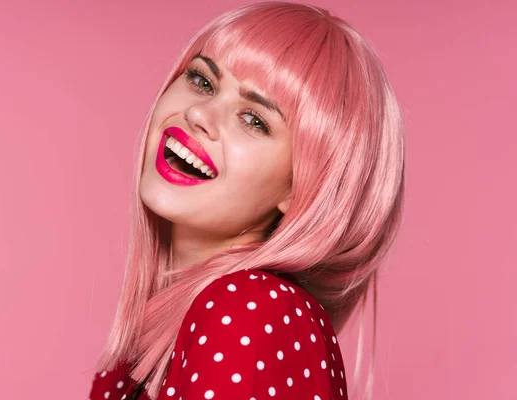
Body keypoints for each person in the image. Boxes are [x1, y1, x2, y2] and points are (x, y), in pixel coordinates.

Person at [88, 2, 405, 399]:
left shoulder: (248, 311)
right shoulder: (132, 360)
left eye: (254, 120)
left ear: (302, 187)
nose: (200, 113)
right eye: (203, 81)